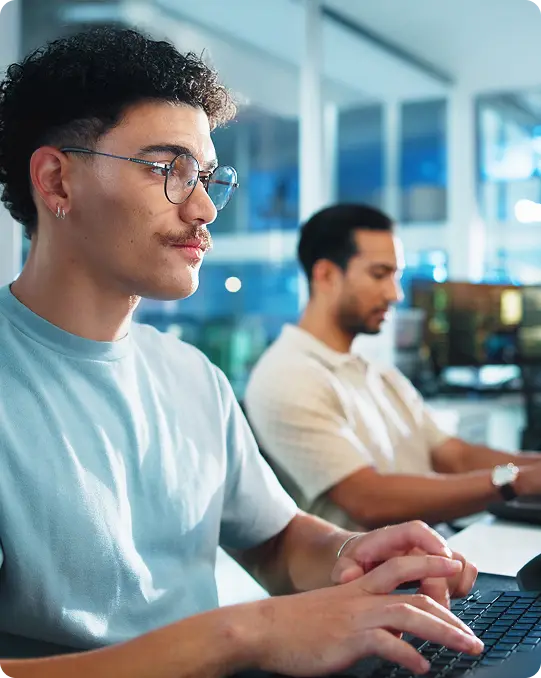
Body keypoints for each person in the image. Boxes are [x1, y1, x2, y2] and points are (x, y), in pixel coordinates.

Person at [0, 28, 482, 678]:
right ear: (56, 180)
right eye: (167, 169)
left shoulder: (190, 376)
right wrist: (239, 634)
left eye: (206, 177)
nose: (203, 208)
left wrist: (353, 552)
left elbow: (279, 542)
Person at [245, 204, 541, 532]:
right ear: (326, 274)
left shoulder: (377, 373)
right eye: (379, 274)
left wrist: (533, 470)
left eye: (395, 276)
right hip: (374, 577)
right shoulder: (288, 376)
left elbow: (454, 456)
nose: (395, 293)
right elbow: (370, 500)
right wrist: (516, 481)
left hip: (432, 554)